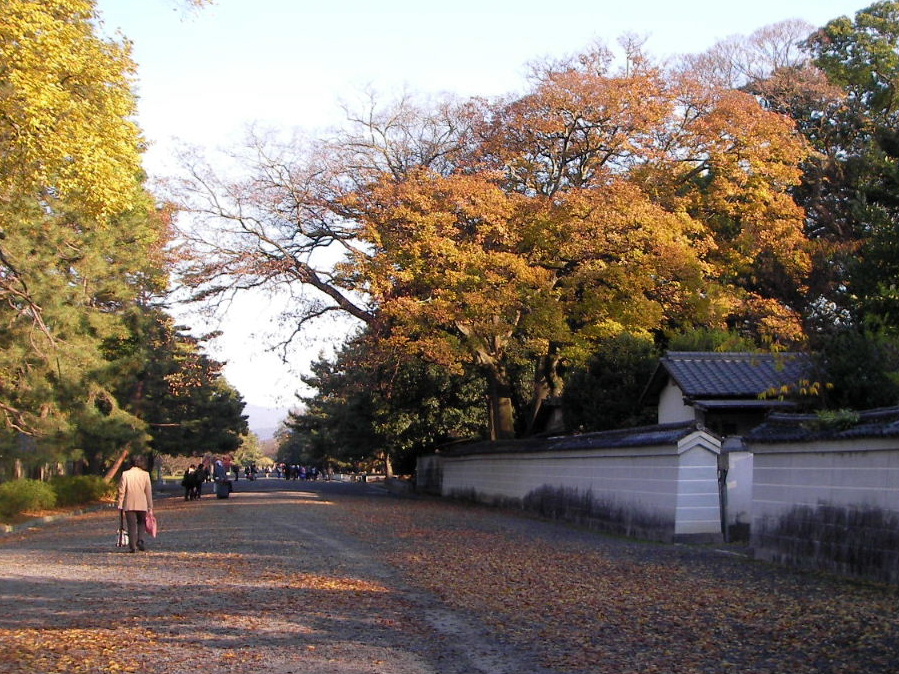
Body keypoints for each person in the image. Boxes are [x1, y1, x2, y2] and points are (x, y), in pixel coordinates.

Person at [117, 454, 154, 553]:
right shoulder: (145, 474)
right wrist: (150, 506)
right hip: (142, 503)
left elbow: (122, 490)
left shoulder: (125, 474)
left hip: (129, 503)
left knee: (131, 525)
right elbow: (148, 492)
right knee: (141, 523)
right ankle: (140, 540)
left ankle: (132, 546)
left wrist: (120, 503)